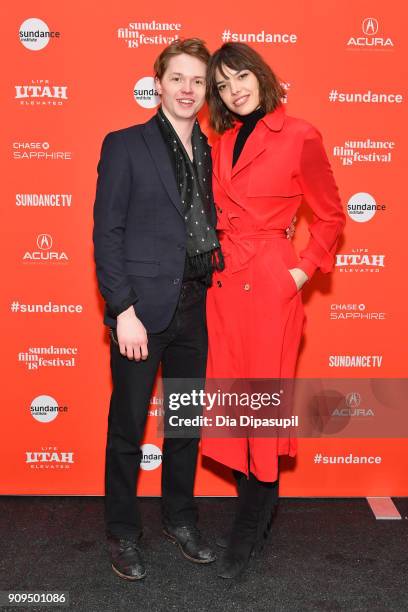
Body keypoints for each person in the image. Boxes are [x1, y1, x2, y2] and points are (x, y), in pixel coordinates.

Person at [202, 42, 346, 579]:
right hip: (223, 283)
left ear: (261, 76)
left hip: (268, 282)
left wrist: (300, 271)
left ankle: (251, 520)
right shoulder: (222, 142)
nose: (233, 90)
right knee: (233, 398)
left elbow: (331, 216)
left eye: (240, 77)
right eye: (222, 85)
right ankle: (255, 511)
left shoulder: (300, 135)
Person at [92, 38, 224, 581]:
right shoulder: (125, 144)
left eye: (198, 80)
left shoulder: (212, 149)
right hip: (141, 313)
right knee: (127, 428)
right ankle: (123, 533)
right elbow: (107, 233)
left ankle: (180, 518)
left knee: (185, 423)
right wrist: (122, 309)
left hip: (196, 306)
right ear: (158, 83)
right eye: (178, 78)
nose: (188, 89)